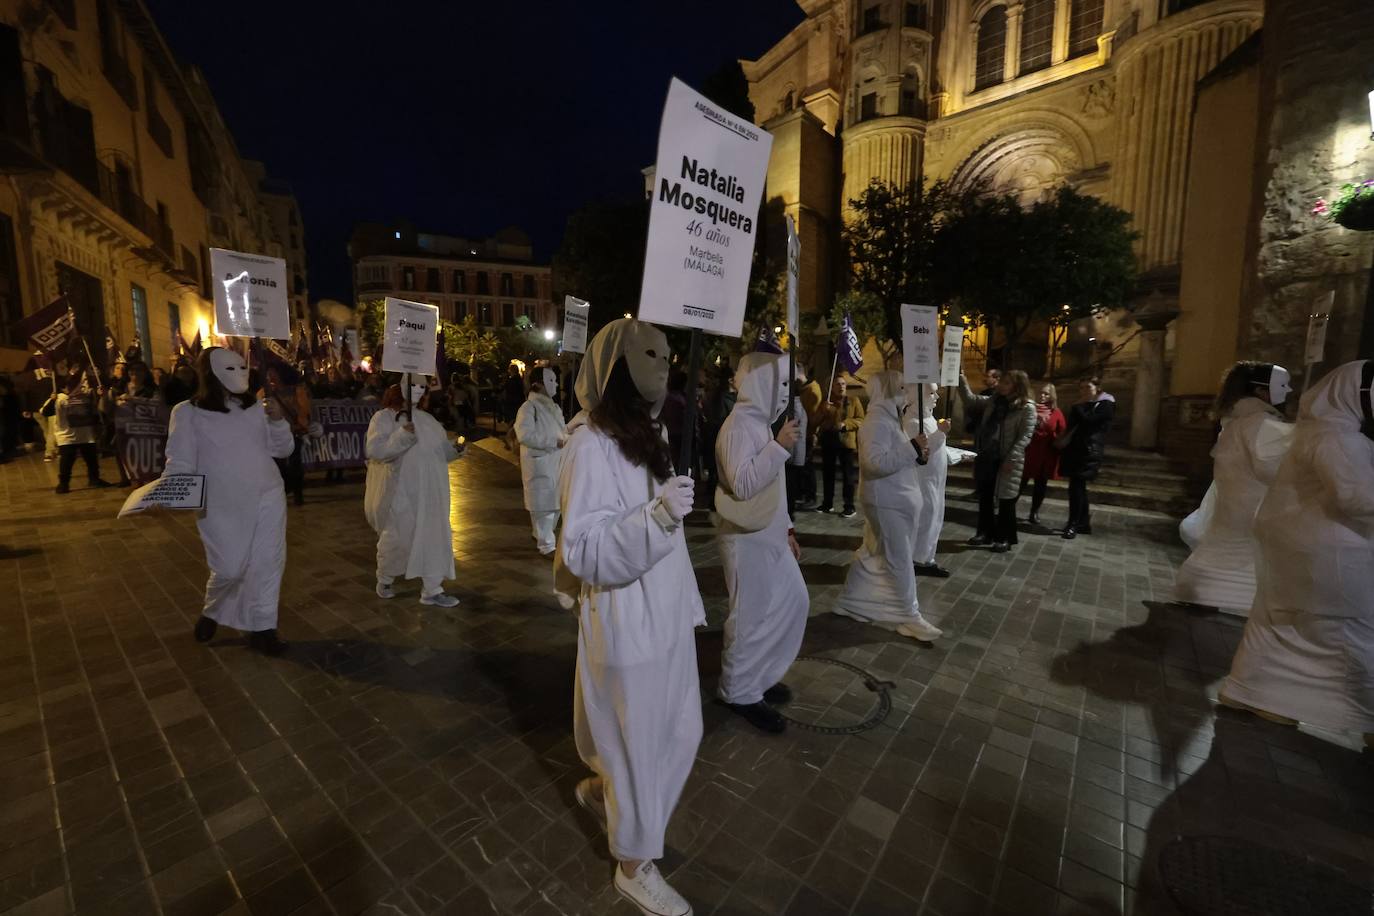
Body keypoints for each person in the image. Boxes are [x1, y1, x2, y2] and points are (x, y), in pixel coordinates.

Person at [555, 318, 700, 916]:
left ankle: (604, 789)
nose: (664, 363)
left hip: (664, 610)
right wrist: (658, 518)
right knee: (641, 742)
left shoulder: (649, 431)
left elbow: (670, 536)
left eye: (668, 353)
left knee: (679, 729)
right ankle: (635, 866)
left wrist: (686, 597)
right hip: (625, 617)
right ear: (616, 365)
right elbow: (584, 549)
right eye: (650, 353)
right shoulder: (589, 442)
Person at [1219, 360, 1374, 747]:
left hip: (1287, 539)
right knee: (1355, 635)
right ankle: (1362, 712)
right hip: (1326, 551)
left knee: (1272, 624)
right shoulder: (1337, 437)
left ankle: (1254, 691)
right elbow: (1357, 497)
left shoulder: (1316, 432)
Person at [163, 348, 294, 655]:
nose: (240, 371)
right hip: (221, 503)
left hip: (268, 494)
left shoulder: (256, 408)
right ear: (209, 372)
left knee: (267, 564)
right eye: (230, 367)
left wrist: (277, 421)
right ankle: (214, 609)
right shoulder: (187, 412)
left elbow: (283, 449)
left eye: (243, 366)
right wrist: (174, 491)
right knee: (230, 568)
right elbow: (179, 459)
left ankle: (263, 627)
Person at [713, 352, 809, 734]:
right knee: (750, 617)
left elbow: (775, 487)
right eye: (779, 384)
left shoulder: (762, 425)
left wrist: (787, 530)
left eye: (788, 385)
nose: (784, 394)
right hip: (745, 539)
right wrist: (780, 445)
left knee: (793, 600)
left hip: (769, 535)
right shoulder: (738, 426)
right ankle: (737, 689)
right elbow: (744, 483)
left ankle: (759, 675)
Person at [1173, 363, 1294, 614]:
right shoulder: (1262, 424)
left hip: (1235, 502)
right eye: (1283, 385)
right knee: (1237, 552)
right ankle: (1209, 594)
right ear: (1261, 392)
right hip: (1250, 505)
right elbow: (1274, 469)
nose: (1290, 390)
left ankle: (1200, 592)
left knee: (1223, 548)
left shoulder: (1237, 421)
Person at [835, 371, 944, 642]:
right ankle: (910, 616)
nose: (907, 393)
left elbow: (903, 455)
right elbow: (874, 464)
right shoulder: (876, 422)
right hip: (887, 502)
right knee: (900, 559)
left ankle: (850, 602)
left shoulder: (888, 418)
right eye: (901, 388)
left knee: (873, 551)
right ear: (888, 390)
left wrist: (924, 445)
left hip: (893, 500)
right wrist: (911, 449)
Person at [364, 375, 464, 607]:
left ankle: (432, 589)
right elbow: (376, 450)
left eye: (423, 386)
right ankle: (385, 578)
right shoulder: (384, 418)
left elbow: (439, 453)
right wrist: (403, 435)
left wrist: (455, 449)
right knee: (398, 539)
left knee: (432, 537)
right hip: (401, 492)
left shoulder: (428, 420)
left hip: (430, 493)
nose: (419, 390)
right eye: (413, 385)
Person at [958, 369, 1036, 552]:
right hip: (988, 455)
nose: (1001, 385)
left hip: (1007, 458)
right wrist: (960, 378)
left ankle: (1004, 538)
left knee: (1006, 500)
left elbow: (1025, 436)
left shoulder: (1026, 407)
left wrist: (1012, 458)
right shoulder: (994, 401)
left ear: (1017, 386)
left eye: (1006, 383)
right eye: (1002, 382)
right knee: (985, 496)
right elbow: (971, 401)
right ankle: (984, 533)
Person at [907, 382, 965, 578]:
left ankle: (927, 555)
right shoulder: (913, 420)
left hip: (936, 478)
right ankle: (918, 557)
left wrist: (955, 454)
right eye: (931, 393)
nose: (936, 397)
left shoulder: (929, 418)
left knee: (935, 514)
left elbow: (939, 447)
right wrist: (940, 433)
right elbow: (921, 447)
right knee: (927, 514)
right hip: (924, 480)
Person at [514, 367, 566, 555]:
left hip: (556, 463)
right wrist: (553, 442)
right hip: (541, 464)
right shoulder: (528, 408)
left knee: (555, 504)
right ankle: (546, 545)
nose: (556, 384)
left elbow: (561, 430)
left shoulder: (554, 407)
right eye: (551, 381)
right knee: (543, 507)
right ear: (538, 384)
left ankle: (541, 535)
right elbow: (524, 434)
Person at [1058, 376, 1116, 539]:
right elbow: (1072, 425)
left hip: (1089, 451)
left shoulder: (1106, 404)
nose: (1083, 391)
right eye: (1081, 388)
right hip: (1075, 449)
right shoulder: (1082, 404)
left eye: (1087, 387)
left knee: (1076, 487)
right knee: (1077, 488)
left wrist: (1078, 407)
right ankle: (1083, 523)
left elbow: (1090, 422)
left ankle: (1073, 524)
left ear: (1097, 387)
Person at [52, 373, 112, 494]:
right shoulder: (60, 398)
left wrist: (100, 396)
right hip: (67, 437)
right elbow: (45, 411)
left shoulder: (84, 397)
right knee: (67, 462)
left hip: (85, 435)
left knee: (91, 460)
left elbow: (94, 409)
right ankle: (63, 484)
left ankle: (94, 479)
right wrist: (52, 400)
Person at [260, 366, 311, 506]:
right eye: (268, 374)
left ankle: (297, 494)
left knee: (295, 464)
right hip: (275, 435)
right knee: (278, 465)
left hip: (294, 431)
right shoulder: (265, 392)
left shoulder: (297, 391)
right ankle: (285, 490)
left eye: (273, 373)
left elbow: (304, 410)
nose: (270, 377)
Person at [815, 375, 864, 517]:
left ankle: (849, 506)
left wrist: (845, 424)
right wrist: (823, 411)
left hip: (846, 443)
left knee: (848, 476)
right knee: (828, 474)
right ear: (831, 387)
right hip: (828, 441)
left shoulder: (853, 401)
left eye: (843, 384)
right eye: (838, 384)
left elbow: (861, 420)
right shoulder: (826, 403)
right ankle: (827, 503)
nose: (841, 386)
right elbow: (816, 421)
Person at [1023, 383, 1067, 526]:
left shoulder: (1056, 412)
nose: (1042, 396)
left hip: (1046, 453)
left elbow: (1062, 431)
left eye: (1046, 394)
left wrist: (1054, 436)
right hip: (1028, 451)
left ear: (1052, 396)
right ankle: (1007, 507)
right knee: (1020, 482)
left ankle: (1034, 512)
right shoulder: (1030, 408)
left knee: (1040, 485)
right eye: (1041, 393)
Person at [795, 364, 823, 509]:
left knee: (807, 467)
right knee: (802, 466)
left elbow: (812, 416)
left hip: (807, 434)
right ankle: (802, 494)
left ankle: (810, 497)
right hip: (800, 433)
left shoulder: (812, 390)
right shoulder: (803, 389)